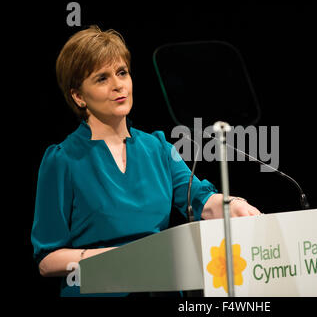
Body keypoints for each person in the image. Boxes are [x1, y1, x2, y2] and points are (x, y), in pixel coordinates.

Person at [31, 25, 261, 297]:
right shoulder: (63, 159)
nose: (118, 85)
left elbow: (200, 200)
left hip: (160, 288)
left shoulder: (158, 147)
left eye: (122, 73)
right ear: (78, 96)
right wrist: (121, 257)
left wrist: (235, 206)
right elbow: (47, 260)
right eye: (102, 78)